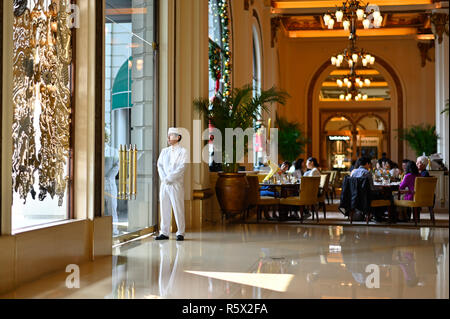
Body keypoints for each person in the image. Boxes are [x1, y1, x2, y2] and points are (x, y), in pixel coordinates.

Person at [156, 128, 188, 241]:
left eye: (171, 135)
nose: (168, 138)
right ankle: (164, 232)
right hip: (164, 184)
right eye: (168, 135)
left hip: (176, 184)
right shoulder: (164, 151)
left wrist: (170, 178)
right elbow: (159, 165)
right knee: (164, 207)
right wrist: (164, 178)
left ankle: (180, 232)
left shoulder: (183, 151)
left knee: (178, 208)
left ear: (178, 137)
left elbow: (182, 167)